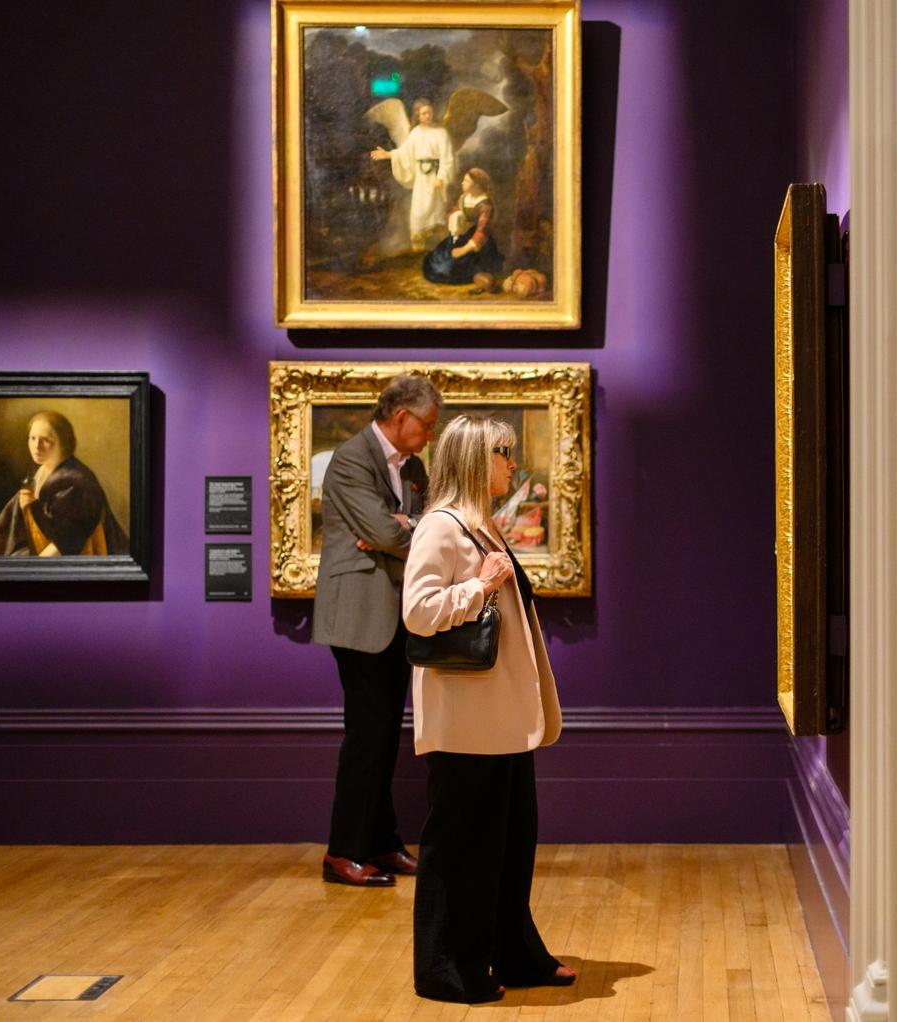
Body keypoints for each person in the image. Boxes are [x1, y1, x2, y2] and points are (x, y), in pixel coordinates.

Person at [402, 413, 572, 1004]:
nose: (512, 465)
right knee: (459, 849)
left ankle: (513, 953)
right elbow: (419, 613)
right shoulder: (442, 529)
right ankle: (447, 969)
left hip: (498, 719)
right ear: (477, 458)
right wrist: (480, 585)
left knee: (508, 841)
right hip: (467, 722)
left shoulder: (482, 527)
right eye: (504, 453)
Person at [313, 374, 442, 887]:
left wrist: (399, 529)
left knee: (386, 736)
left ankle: (383, 842)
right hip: (359, 617)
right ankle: (342, 851)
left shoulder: (411, 465)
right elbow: (389, 530)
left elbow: (430, 523)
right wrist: (396, 528)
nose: (430, 436)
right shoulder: (349, 459)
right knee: (367, 738)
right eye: (426, 426)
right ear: (400, 417)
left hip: (394, 615)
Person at [0, 411, 128, 557]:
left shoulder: (77, 482)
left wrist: (31, 570)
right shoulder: (43, 471)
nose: (36, 446)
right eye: (32, 438)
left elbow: (66, 544)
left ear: (63, 442)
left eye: (45, 440)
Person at [371, 98, 457, 251]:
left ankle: (440, 251)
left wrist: (441, 177)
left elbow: (447, 158)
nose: (427, 116)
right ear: (418, 116)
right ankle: (418, 250)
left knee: (437, 215)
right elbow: (405, 153)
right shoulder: (415, 133)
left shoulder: (441, 133)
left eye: (429, 112)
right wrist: (388, 154)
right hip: (421, 181)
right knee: (418, 214)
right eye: (423, 113)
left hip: (436, 179)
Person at [422, 168, 504, 286]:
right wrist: (456, 218)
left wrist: (463, 250)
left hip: (477, 244)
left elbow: (482, 231)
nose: (462, 183)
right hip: (461, 235)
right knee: (435, 262)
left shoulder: (485, 205)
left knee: (449, 268)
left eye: (466, 181)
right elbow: (452, 213)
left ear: (476, 185)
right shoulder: (464, 197)